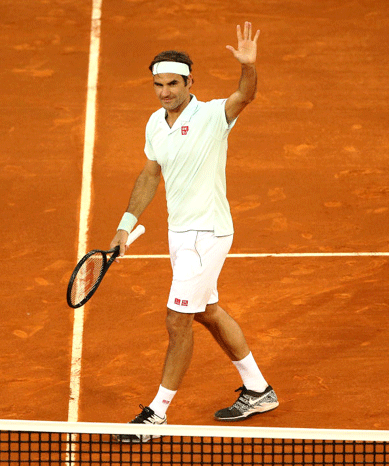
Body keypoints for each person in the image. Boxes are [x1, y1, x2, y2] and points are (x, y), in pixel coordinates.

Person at [110, 22, 277, 441]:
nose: (165, 91)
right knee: (206, 312)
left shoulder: (212, 115)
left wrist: (249, 67)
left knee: (177, 320)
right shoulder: (154, 123)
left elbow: (246, 95)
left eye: (172, 83)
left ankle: (157, 415)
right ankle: (259, 389)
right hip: (179, 234)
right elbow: (151, 174)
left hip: (207, 234)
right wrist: (124, 226)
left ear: (189, 83)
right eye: (158, 84)